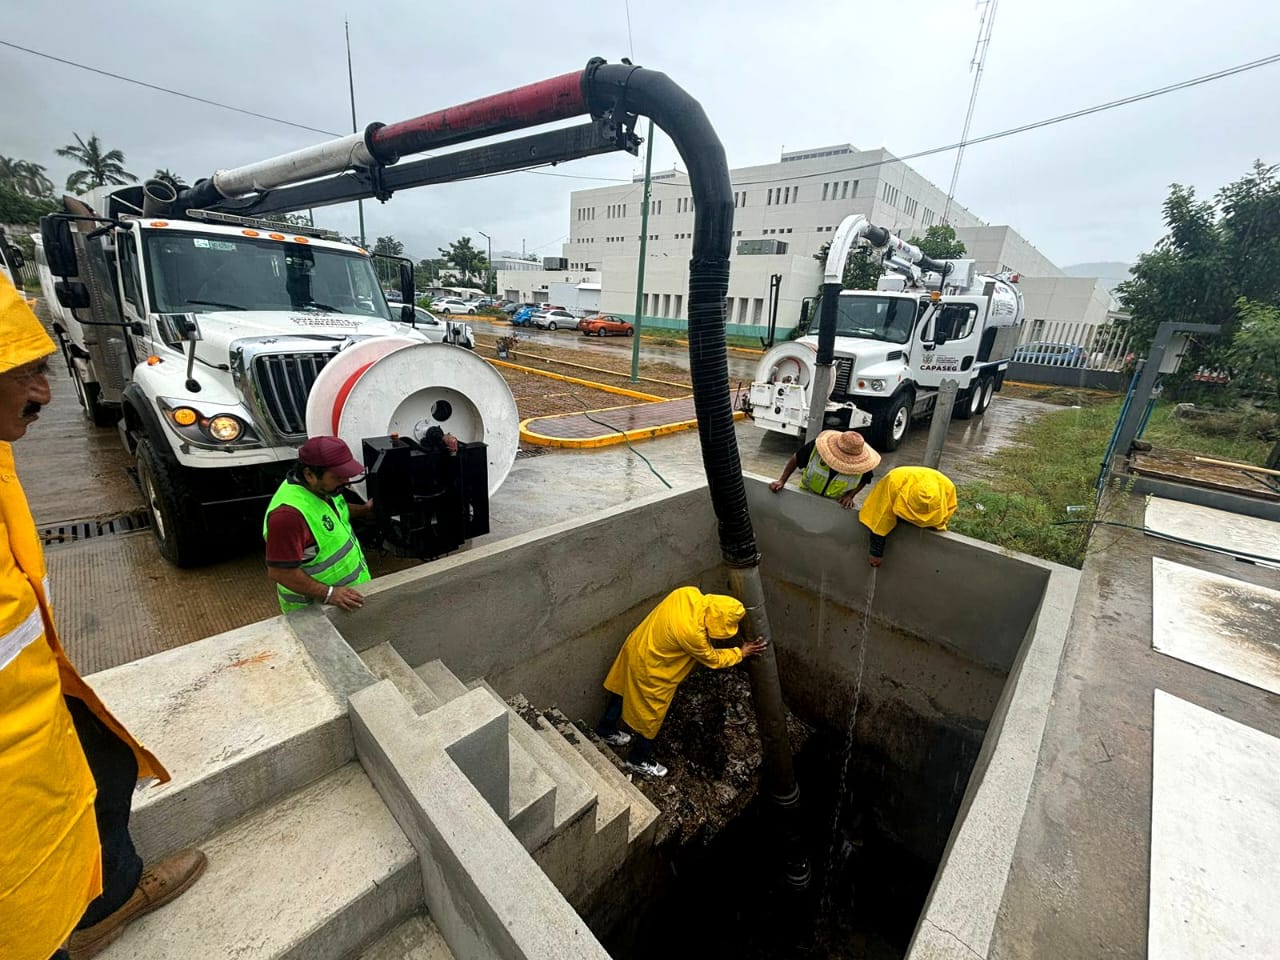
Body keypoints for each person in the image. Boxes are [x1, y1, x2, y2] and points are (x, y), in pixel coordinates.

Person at [0, 277, 206, 960]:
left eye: (44, 370)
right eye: (25, 373)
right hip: (13, 742)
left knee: (108, 767)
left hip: (38, 695)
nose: (44, 394)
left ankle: (103, 902)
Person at [596, 586, 767, 778]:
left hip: (637, 645)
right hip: (652, 668)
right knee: (653, 715)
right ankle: (637, 759)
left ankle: (605, 730)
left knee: (622, 688)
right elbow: (713, 659)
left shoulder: (687, 593)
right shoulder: (693, 634)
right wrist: (741, 653)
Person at [263, 436, 375, 613]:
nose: (345, 482)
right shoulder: (287, 516)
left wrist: (365, 509)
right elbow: (279, 572)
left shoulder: (326, 489)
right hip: (315, 611)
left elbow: (336, 511)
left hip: (347, 600)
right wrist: (329, 593)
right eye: (338, 476)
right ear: (309, 474)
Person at [857, 465, 958, 567]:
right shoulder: (893, 483)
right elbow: (879, 520)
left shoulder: (948, 487)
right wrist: (876, 553)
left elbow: (948, 512)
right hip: (894, 486)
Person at [768, 429, 881, 509]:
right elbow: (796, 458)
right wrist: (782, 480)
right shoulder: (815, 448)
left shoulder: (863, 466)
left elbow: (866, 480)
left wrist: (850, 496)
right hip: (805, 493)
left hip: (835, 503)